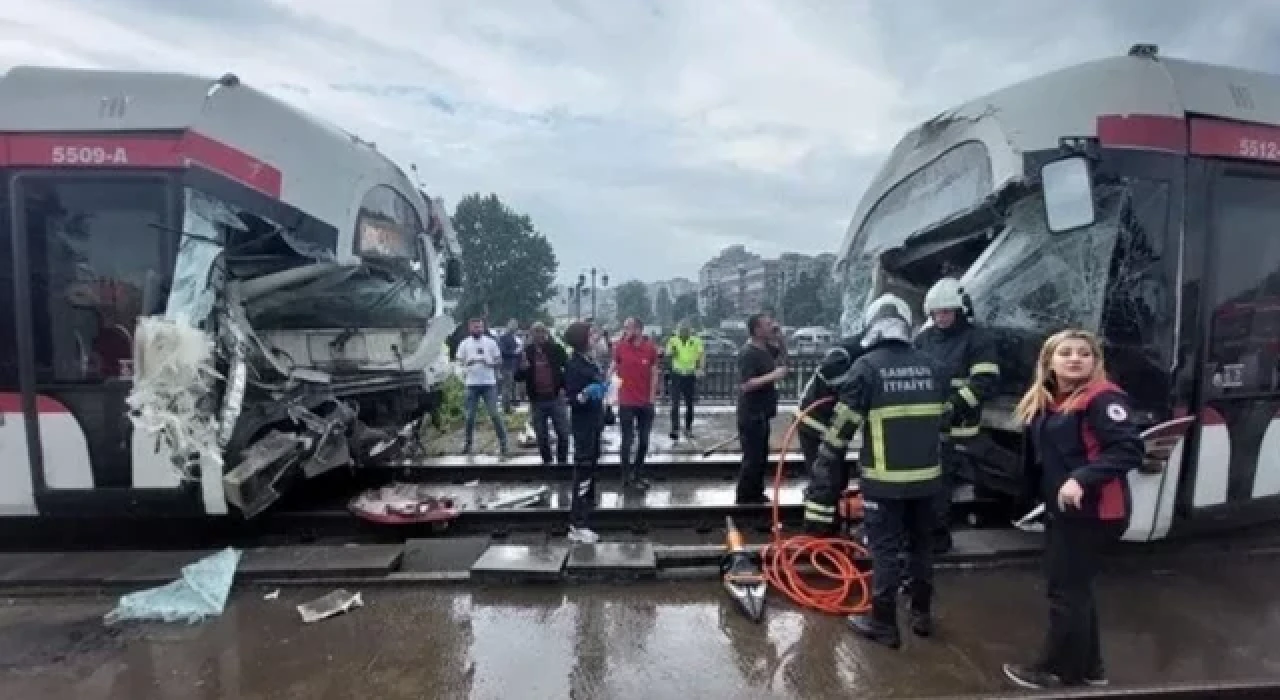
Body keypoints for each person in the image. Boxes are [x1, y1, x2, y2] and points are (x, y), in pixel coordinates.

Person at [805, 294, 950, 648]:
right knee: (921, 549)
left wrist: (824, 474)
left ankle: (883, 623)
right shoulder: (935, 367)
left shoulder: (866, 368)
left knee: (884, 552)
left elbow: (841, 430)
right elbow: (945, 418)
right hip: (929, 479)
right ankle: (921, 615)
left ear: (873, 326)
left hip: (884, 483)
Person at [1002, 329, 1143, 690]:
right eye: (1066, 353)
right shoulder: (1048, 401)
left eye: (1084, 353)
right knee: (1076, 589)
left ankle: (1054, 671)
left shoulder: (1103, 399)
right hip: (1064, 510)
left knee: (1065, 592)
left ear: (1096, 362)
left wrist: (1082, 478)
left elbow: (1128, 449)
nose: (1075, 358)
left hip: (1095, 512)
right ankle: (1090, 668)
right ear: (1049, 362)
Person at [914, 277, 1001, 554]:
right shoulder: (923, 339)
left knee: (942, 487)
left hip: (959, 428)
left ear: (961, 311)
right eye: (936, 313)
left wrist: (952, 408)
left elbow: (984, 382)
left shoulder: (978, 340)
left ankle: (938, 539)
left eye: (947, 312)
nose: (941, 318)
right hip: (926, 425)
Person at [562, 321, 609, 544]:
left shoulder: (590, 361)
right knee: (583, 470)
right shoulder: (574, 365)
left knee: (591, 468)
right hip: (583, 425)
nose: (594, 337)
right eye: (590, 334)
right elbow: (572, 398)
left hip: (594, 421)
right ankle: (577, 523)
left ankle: (587, 512)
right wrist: (585, 394)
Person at [735, 312, 787, 505]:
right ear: (756, 330)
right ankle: (744, 497)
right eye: (767, 324)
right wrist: (772, 376)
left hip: (763, 412)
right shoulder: (748, 353)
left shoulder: (765, 348)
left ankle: (756, 493)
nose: (771, 326)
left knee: (761, 455)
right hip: (751, 413)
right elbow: (746, 385)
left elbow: (783, 356)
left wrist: (780, 337)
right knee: (752, 457)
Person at [514, 322, 570, 466]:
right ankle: (547, 463)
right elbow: (517, 377)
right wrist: (522, 368)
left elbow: (568, 368)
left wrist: (565, 387)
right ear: (531, 335)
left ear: (546, 333)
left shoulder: (556, 349)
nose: (539, 335)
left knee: (563, 433)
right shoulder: (527, 352)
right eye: (536, 332)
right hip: (537, 399)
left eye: (542, 332)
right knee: (541, 435)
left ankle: (562, 463)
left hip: (556, 397)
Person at [613, 317, 660, 490]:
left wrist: (651, 397)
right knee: (627, 440)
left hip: (644, 401)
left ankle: (638, 472)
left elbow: (654, 373)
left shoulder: (650, 349)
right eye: (624, 328)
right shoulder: (620, 346)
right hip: (626, 401)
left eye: (629, 328)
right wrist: (609, 389)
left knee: (644, 441)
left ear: (639, 330)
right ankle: (626, 476)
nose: (626, 331)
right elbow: (614, 367)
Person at [455, 318, 510, 457]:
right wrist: (466, 365)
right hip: (471, 384)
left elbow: (499, 361)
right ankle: (468, 444)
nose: (477, 329)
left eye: (479, 327)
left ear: (483, 328)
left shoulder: (491, 342)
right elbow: (458, 362)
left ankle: (504, 443)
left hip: (488, 383)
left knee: (494, 414)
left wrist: (489, 363)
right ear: (470, 328)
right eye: (475, 327)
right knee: (469, 417)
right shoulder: (464, 344)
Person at [665, 321, 705, 442]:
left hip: (690, 375)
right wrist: (672, 352)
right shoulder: (673, 340)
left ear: (690, 331)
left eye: (686, 330)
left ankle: (688, 428)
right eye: (681, 330)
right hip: (677, 374)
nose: (683, 332)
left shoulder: (696, 340)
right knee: (675, 404)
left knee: (690, 404)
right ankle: (675, 429)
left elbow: (701, 355)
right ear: (678, 330)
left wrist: (700, 368)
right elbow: (667, 353)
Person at [497, 319, 523, 414]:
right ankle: (506, 408)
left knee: (510, 386)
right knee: (506, 387)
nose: (515, 328)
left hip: (512, 365)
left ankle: (510, 405)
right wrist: (515, 352)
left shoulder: (511, 337)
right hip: (506, 365)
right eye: (514, 326)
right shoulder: (504, 338)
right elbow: (503, 351)